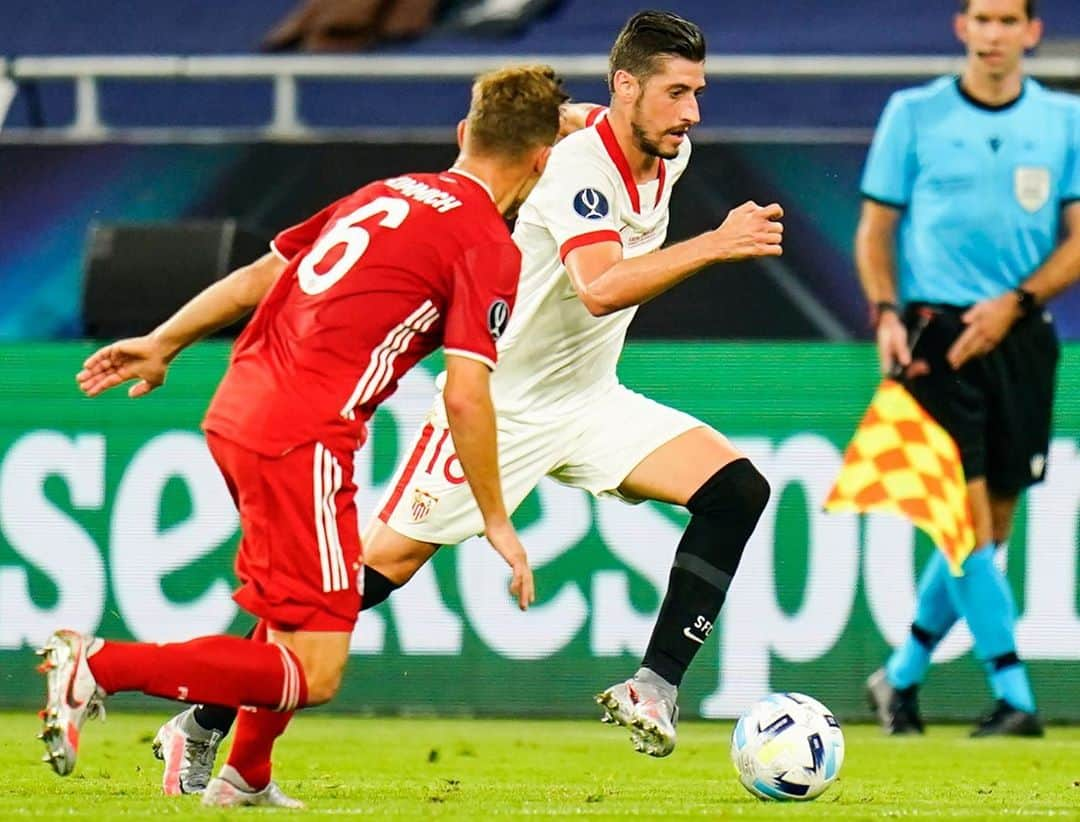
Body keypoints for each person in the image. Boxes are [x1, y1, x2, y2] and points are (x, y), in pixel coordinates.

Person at [155, 10, 783, 790]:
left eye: (698, 92)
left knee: (736, 490)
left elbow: (572, 116)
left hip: (590, 401)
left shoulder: (656, 147)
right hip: (504, 406)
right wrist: (718, 241)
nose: (692, 113)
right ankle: (206, 716)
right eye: (677, 93)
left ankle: (653, 684)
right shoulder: (574, 174)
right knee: (359, 583)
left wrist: (566, 109)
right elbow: (599, 288)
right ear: (628, 85)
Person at [37, 64, 570, 806]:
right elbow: (466, 393)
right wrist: (496, 519)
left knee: (290, 612)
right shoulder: (486, 244)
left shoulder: (381, 195)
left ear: (462, 133)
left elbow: (263, 271)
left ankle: (245, 775)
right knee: (314, 671)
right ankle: (100, 666)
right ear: (544, 161)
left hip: (240, 407)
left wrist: (165, 339)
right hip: (304, 435)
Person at [857, 0, 1080, 737]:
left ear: (1031, 31)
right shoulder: (912, 114)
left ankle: (901, 679)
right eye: (981, 19)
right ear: (962, 28)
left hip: (1019, 334)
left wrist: (1014, 303)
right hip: (937, 336)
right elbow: (875, 229)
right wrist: (887, 312)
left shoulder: (1063, 121)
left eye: (1007, 20)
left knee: (993, 529)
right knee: (965, 523)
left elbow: (1077, 240)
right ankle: (1013, 694)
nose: (993, 34)